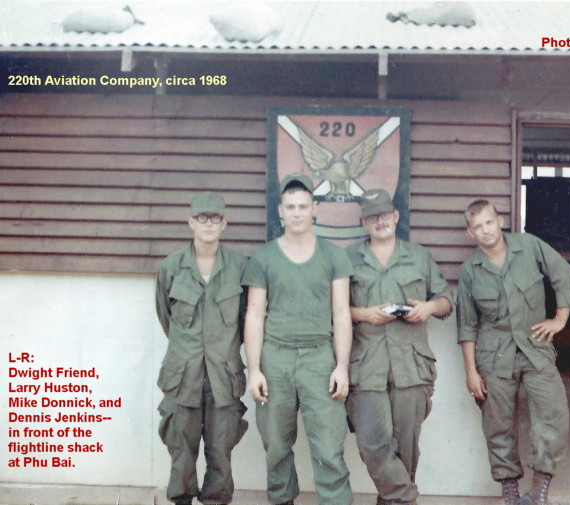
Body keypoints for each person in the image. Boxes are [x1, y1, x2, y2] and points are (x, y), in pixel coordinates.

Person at [456, 200, 570, 505]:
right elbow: (467, 325)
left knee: (554, 413)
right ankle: (510, 490)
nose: (485, 231)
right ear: (470, 233)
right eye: (478, 227)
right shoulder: (470, 270)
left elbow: (564, 274)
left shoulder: (529, 246)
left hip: (535, 345)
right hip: (493, 354)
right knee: (497, 422)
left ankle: (539, 490)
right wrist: (471, 371)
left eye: (489, 222)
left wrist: (560, 319)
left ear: (500, 220)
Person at [243, 173, 353, 505]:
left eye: (303, 206)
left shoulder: (334, 256)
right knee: (276, 445)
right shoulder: (263, 258)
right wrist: (254, 369)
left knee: (329, 447)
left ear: (314, 209)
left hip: (320, 358)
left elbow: (342, 313)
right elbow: (254, 314)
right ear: (281, 210)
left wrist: (342, 366)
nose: (297, 212)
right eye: (290, 206)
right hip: (275, 358)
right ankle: (282, 500)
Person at [346, 189, 453, 505]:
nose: (380, 221)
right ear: (364, 222)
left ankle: (393, 501)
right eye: (372, 216)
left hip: (411, 366)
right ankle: (407, 499)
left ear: (396, 216)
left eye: (385, 214)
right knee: (372, 443)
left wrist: (428, 309)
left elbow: (447, 301)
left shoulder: (419, 256)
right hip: (366, 366)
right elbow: (332, 308)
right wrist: (364, 314)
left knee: (406, 450)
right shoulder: (348, 259)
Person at [155, 192, 249, 505]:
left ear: (224, 223)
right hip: (183, 375)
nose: (208, 224)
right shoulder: (171, 267)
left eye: (215, 218)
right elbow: (166, 318)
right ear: (191, 222)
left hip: (223, 376)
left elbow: (244, 321)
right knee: (181, 450)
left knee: (221, 450)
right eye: (202, 218)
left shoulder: (239, 267)